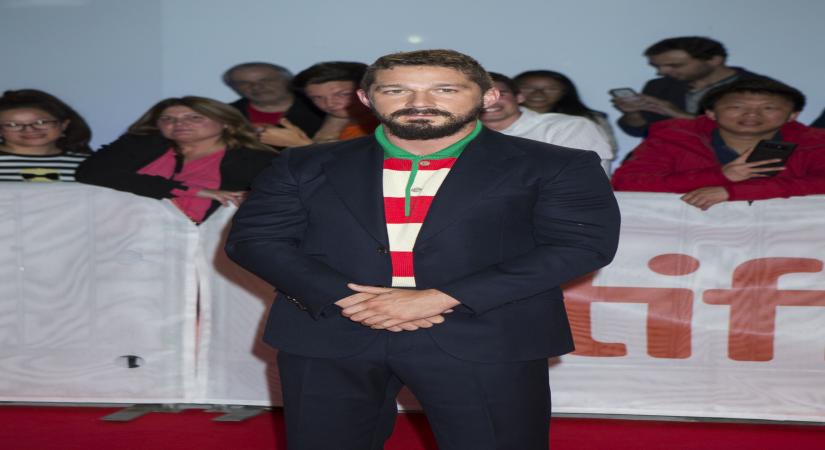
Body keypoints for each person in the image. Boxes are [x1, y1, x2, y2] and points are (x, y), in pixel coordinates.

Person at [225, 49, 620, 450]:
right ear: (365, 99)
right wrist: (348, 299)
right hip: (330, 330)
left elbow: (580, 244)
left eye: (444, 89)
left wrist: (441, 298)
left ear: (489, 96)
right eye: (396, 90)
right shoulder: (303, 163)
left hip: (486, 333)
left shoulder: (555, 164)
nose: (419, 103)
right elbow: (255, 239)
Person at [612, 78, 825, 210]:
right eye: (737, 107)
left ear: (793, 115)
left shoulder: (814, 142)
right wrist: (721, 176)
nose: (752, 114)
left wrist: (731, 191)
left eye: (769, 108)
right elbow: (627, 183)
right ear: (711, 112)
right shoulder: (672, 137)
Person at [76, 96, 276, 223]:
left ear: (225, 122)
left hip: (207, 244)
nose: (179, 123)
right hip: (122, 232)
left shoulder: (255, 159)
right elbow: (90, 173)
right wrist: (196, 191)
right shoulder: (141, 144)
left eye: (194, 117)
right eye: (168, 119)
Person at [613, 36, 769, 137]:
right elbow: (641, 131)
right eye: (658, 66)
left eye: (675, 65)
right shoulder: (660, 86)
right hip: (667, 162)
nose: (663, 72)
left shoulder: (760, 88)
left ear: (714, 60)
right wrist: (633, 114)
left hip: (731, 165)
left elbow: (761, 133)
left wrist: (678, 114)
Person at [481, 72, 613, 172]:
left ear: (519, 97)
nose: (489, 101)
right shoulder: (462, 135)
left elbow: (584, 182)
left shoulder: (568, 127)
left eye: (500, 94)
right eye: (478, 96)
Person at [258, 61, 380, 147]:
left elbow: (361, 173)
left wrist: (300, 145)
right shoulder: (332, 121)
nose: (330, 103)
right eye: (317, 98)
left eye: (343, 94)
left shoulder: (386, 125)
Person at [513, 69, 619, 155]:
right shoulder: (500, 117)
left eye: (551, 88)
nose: (538, 93)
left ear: (565, 92)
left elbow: (605, 151)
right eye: (527, 88)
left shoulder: (588, 119)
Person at [0, 89, 91, 182]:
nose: (29, 129)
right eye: (13, 125)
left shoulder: (88, 163)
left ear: (64, 125)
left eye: (41, 122)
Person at [223, 62, 324, 139]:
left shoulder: (324, 108)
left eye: (266, 80)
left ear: (289, 80)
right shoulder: (223, 116)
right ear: (233, 87)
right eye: (243, 83)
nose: (256, 87)